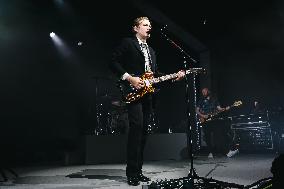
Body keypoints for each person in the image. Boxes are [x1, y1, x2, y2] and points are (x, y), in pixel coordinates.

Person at [109, 16, 185, 186]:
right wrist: (130, 79)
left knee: (143, 132)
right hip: (133, 91)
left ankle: (139, 170)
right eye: (145, 25)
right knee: (136, 130)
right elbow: (112, 61)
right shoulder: (128, 43)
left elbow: (155, 75)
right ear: (135, 28)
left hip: (148, 95)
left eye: (150, 25)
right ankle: (131, 173)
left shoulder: (152, 51)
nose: (149, 28)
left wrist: (174, 77)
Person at [196, 87, 239, 158]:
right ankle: (210, 152)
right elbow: (197, 110)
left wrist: (226, 108)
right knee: (207, 138)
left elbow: (219, 109)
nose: (203, 93)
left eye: (204, 91)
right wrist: (203, 115)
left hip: (213, 120)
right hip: (204, 121)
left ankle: (228, 152)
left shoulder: (214, 100)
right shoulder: (201, 101)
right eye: (202, 92)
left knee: (218, 137)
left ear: (208, 91)